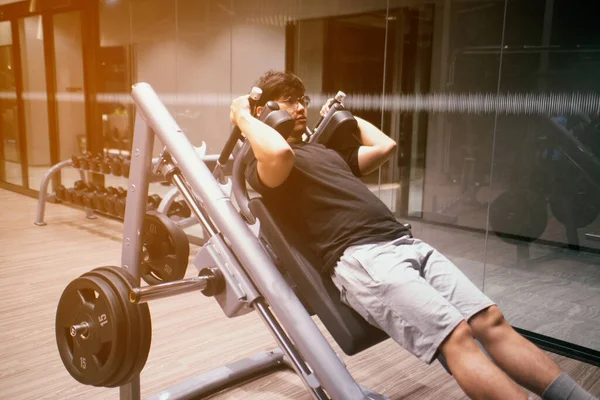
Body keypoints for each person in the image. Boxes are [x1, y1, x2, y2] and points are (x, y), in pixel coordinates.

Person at [229, 70, 597, 400]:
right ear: (266, 110)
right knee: (457, 339)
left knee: (492, 321)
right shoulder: (262, 167)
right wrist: (244, 116)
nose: (299, 108)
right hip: (363, 259)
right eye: (289, 100)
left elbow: (384, 147)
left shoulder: (323, 151)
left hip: (406, 243)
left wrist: (342, 117)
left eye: (302, 100)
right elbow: (277, 152)